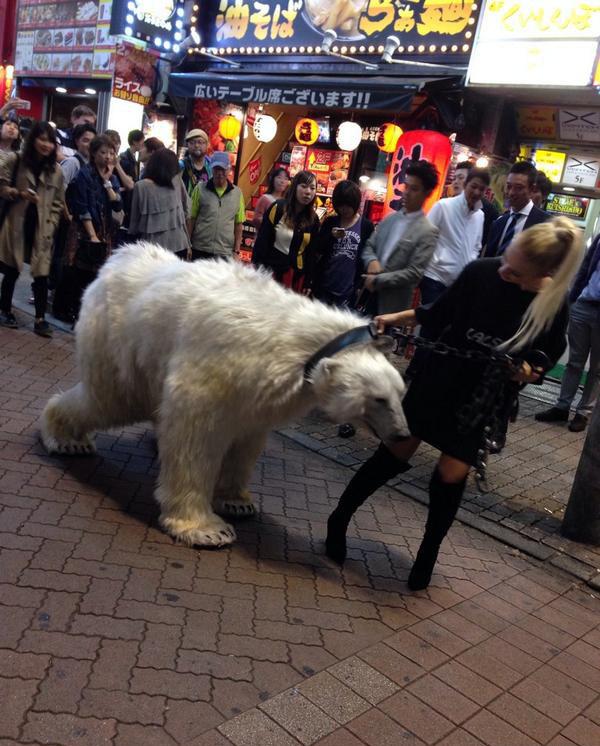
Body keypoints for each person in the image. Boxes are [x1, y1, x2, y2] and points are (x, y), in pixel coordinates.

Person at [325, 217, 583, 590]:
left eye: (514, 272)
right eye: (505, 260)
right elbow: (438, 312)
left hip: (481, 399)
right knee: (395, 450)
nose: (504, 270)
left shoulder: (552, 303)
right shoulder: (482, 271)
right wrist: (393, 318)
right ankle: (340, 518)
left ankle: (428, 554)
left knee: (451, 473)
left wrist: (530, 369)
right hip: (439, 378)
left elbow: (547, 353)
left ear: (545, 273)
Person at [0, 121, 64, 337]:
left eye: (50, 141)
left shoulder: (56, 171)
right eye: (42, 139)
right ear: (32, 139)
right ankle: (5, 309)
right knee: (12, 269)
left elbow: (58, 202)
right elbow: (1, 187)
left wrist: (53, 222)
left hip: (42, 227)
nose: (46, 145)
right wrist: (19, 194)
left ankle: (40, 319)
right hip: (17, 221)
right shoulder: (16, 160)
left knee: (41, 273)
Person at [535, 231, 600, 432]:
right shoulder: (599, 238)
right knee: (574, 361)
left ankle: (583, 412)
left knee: (597, 368)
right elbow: (585, 269)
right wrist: (573, 298)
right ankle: (562, 406)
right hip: (584, 304)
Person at [57, 134, 123, 320]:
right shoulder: (84, 173)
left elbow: (117, 204)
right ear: (94, 154)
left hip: (104, 229)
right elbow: (82, 206)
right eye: (103, 152)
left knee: (95, 272)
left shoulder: (112, 177)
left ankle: (84, 312)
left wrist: (107, 182)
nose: (108, 157)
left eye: (111, 153)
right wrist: (92, 235)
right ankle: (65, 309)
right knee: (75, 269)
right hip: (84, 229)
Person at [359, 160, 439, 314]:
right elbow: (369, 245)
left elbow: (414, 273)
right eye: (406, 186)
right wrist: (372, 260)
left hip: (393, 307)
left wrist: (378, 280)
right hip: (368, 295)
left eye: (414, 189)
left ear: (427, 193)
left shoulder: (428, 231)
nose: (407, 192)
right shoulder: (390, 218)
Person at [420, 168, 489, 305]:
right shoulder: (443, 206)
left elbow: (476, 246)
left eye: (481, 189)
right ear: (466, 185)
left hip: (459, 283)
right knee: (433, 322)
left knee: (446, 324)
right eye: (473, 186)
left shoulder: (480, 215)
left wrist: (470, 261)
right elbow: (424, 237)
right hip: (434, 277)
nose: (476, 192)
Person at [252, 169, 319, 292]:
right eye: (303, 186)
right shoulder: (278, 208)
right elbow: (262, 241)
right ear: (294, 187)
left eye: (312, 188)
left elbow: (310, 253)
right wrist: (257, 270)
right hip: (271, 274)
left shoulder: (313, 219)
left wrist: (308, 282)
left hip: (297, 278)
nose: (308, 192)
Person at [313, 179, 374, 308]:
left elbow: (367, 256)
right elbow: (317, 249)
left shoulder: (366, 226)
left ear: (355, 202)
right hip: (324, 286)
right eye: (340, 205)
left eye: (348, 205)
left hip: (348, 290)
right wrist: (330, 236)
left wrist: (360, 286)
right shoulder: (330, 222)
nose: (344, 209)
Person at [129, 148, 190, 257]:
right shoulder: (177, 181)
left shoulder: (141, 186)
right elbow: (186, 210)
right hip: (179, 244)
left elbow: (134, 222)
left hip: (151, 248)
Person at [188, 151, 245, 261]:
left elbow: (238, 225)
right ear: (211, 169)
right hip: (200, 248)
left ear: (228, 170)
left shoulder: (237, 193)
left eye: (223, 169)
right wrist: (188, 245)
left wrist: (236, 251)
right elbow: (191, 219)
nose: (219, 173)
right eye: (216, 169)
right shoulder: (200, 189)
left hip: (224, 252)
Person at [484, 161, 549, 257]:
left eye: (519, 188)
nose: (511, 193)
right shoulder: (499, 223)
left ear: (532, 189)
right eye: (509, 186)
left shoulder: (545, 224)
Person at [452, 160, 499, 249]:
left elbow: (480, 245)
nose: (455, 182)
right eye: (454, 178)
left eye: (460, 178)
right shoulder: (444, 205)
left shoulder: (485, 212)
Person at [180, 129, 212, 196]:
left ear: (207, 145)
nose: (196, 145)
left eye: (200, 142)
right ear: (187, 145)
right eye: (192, 142)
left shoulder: (211, 165)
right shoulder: (181, 165)